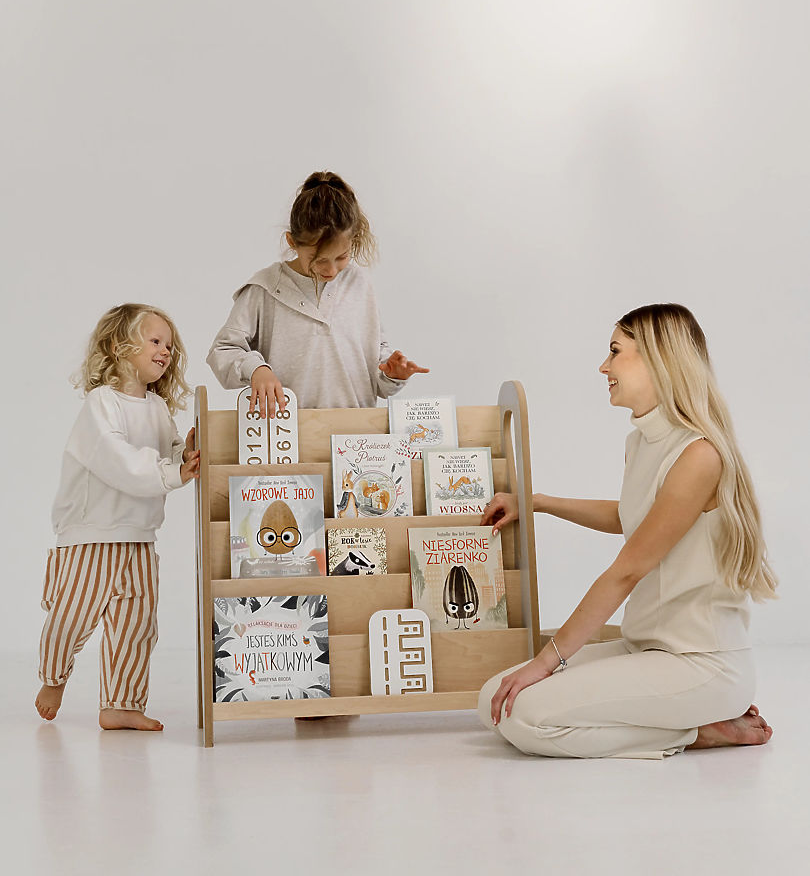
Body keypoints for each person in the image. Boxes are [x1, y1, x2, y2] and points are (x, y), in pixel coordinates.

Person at [479, 303, 776, 760]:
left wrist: (546, 661)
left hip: (699, 665)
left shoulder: (698, 455)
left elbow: (627, 570)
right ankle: (688, 726)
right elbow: (629, 517)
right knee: (493, 700)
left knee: (527, 717)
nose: (604, 366)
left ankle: (699, 731)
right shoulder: (640, 443)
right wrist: (534, 501)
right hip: (646, 651)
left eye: (615, 351)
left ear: (658, 358)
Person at [36, 304, 200, 731]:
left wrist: (185, 453)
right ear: (118, 347)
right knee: (73, 614)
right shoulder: (101, 403)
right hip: (93, 533)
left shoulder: (158, 408)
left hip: (140, 535)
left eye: (169, 345)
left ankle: (121, 703)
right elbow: (117, 460)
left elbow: (169, 453)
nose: (165, 351)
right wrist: (173, 472)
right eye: (155, 341)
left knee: (136, 623)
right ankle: (53, 678)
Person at [207, 171, 428, 415]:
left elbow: (376, 360)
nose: (331, 270)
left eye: (342, 257)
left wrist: (391, 373)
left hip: (357, 431)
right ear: (292, 242)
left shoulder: (359, 283)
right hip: (289, 431)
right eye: (319, 259)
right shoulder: (264, 289)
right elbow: (223, 350)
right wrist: (256, 369)